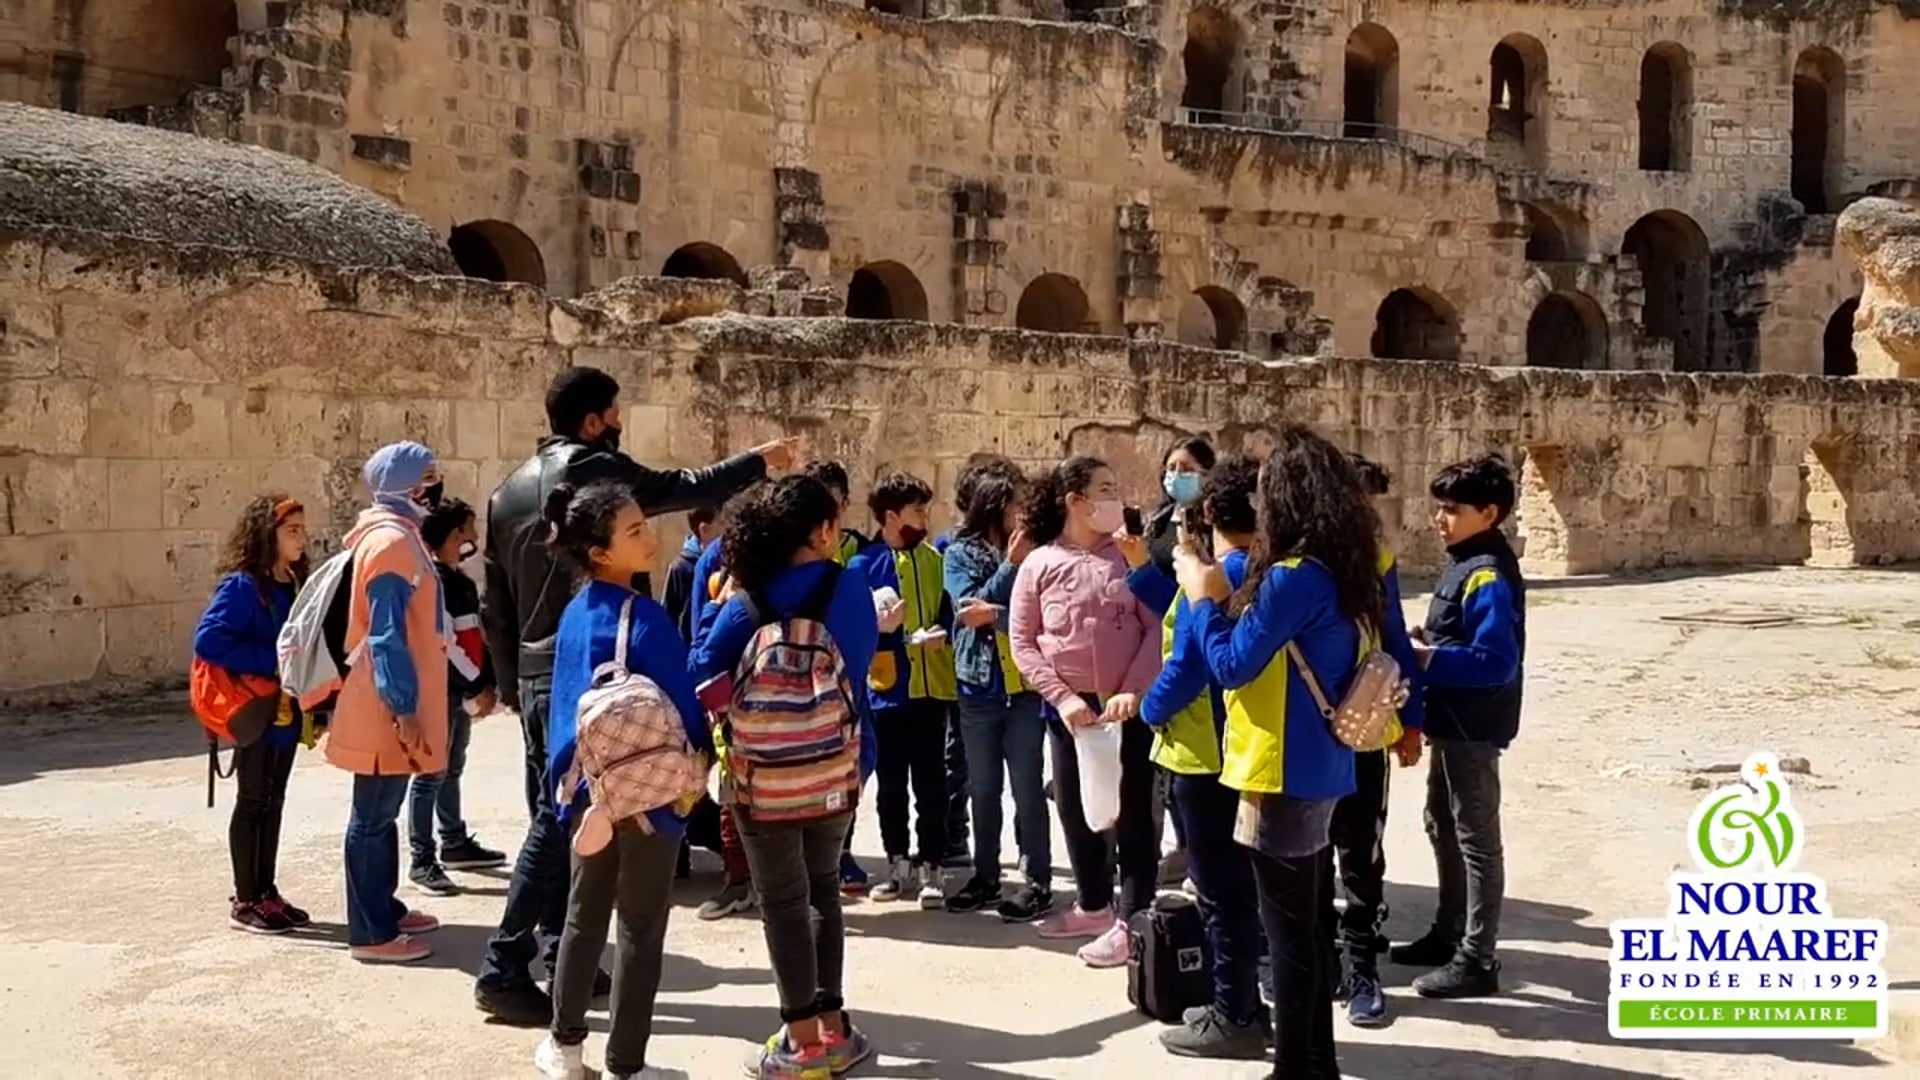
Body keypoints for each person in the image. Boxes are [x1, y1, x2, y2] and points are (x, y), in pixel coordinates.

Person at [477, 365, 797, 1023]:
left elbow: (496, 603)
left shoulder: (506, 491)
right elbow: (684, 488)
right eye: (616, 412)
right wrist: (757, 462)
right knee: (556, 818)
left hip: (546, 668)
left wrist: (509, 684)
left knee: (568, 812)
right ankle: (505, 966)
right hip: (599, 662)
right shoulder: (597, 471)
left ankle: (562, 952)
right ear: (594, 421)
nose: (620, 424)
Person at [1175, 424, 1386, 1079]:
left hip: (1283, 769)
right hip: (1322, 766)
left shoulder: (1294, 577)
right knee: (1306, 928)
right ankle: (1313, 1060)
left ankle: (1299, 1066)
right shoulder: (1342, 566)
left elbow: (1233, 665)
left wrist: (1203, 598)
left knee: (1290, 936)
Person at [689, 475, 881, 1080]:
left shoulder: (749, 600)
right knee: (823, 889)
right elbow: (859, 662)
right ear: (822, 530)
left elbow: (702, 669)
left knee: (782, 901)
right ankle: (833, 1027)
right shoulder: (848, 588)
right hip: (835, 764)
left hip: (762, 775)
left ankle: (801, 1045)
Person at [532, 482, 707, 1080]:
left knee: (583, 920)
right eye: (634, 531)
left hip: (590, 795)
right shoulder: (648, 618)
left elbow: (562, 709)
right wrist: (697, 770)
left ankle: (564, 1048)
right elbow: (684, 706)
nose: (649, 537)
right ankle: (626, 1065)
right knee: (640, 928)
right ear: (601, 551)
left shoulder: (575, 614)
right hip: (651, 795)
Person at [1008, 456, 1162, 968]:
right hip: (1069, 714)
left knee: (1133, 813)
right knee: (1075, 808)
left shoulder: (1131, 559)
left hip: (1125, 711)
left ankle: (1134, 916)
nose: (1116, 498)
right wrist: (1063, 698)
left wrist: (1134, 690)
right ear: (1076, 501)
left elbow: (1158, 627)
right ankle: (1094, 903)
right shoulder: (1039, 563)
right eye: (1105, 489)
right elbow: (1023, 641)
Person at [1140, 455, 1266, 1058]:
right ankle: (1243, 1002)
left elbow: (1187, 666)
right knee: (1242, 887)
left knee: (1218, 891)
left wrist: (1147, 710)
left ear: (1209, 511)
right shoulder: (1269, 573)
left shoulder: (1212, 579)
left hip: (1201, 751)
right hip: (1245, 748)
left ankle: (1232, 1012)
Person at [1391, 452, 1526, 1001]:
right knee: (1441, 823)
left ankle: (1477, 957)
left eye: (1452, 509)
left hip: (1473, 725)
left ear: (1489, 513)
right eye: (1438, 508)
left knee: (1475, 838)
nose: (1439, 519)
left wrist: (1428, 660)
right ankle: (1449, 935)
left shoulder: (1487, 574)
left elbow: (1495, 661)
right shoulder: (1465, 563)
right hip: (1451, 720)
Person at [327, 442, 452, 964]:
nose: (434, 486)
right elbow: (385, 637)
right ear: (404, 485)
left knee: (383, 811)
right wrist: (403, 707)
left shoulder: (399, 538)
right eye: (426, 477)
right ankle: (371, 932)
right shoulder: (390, 545)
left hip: (397, 700)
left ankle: (384, 906)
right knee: (373, 816)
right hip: (387, 705)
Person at [1325, 454, 1425, 1025]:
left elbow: (1394, 638)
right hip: (1303, 733)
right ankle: (1322, 961)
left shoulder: (1375, 561)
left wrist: (1412, 720)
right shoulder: (1290, 564)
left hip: (1363, 727)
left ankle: (1362, 964)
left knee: (1360, 853)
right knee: (1308, 855)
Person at [194, 493, 312, 934]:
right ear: (269, 535)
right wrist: (272, 661)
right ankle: (246, 899)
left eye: (302, 529)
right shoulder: (244, 587)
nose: (301, 538)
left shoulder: (294, 584)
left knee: (274, 801)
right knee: (253, 801)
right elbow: (209, 640)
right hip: (257, 709)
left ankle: (267, 892)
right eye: (291, 530)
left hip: (286, 712)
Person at [941, 457, 1052, 921]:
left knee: (1027, 787)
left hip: (1025, 687)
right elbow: (969, 607)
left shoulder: (1041, 552)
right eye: (1014, 506)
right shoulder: (960, 552)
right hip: (980, 686)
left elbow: (1037, 614)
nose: (1022, 515)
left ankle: (1037, 879)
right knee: (983, 787)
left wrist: (1000, 614)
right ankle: (986, 875)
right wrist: (1011, 565)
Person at [849, 471, 957, 908]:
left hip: (932, 688)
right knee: (891, 783)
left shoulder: (934, 559)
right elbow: (857, 627)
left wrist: (942, 630)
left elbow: (946, 610)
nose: (924, 518)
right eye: (917, 510)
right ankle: (897, 864)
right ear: (891, 516)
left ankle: (933, 864)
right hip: (888, 689)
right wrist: (896, 637)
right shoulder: (862, 565)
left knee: (932, 781)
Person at [405, 497, 506, 897]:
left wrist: (485, 681)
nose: (475, 537)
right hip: (440, 690)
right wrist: (476, 685)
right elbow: (445, 646)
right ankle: (421, 859)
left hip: (459, 688)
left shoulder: (458, 580)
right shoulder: (433, 582)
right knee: (430, 773)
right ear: (452, 535)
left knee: (452, 766)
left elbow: (474, 636)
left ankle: (454, 840)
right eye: (468, 530)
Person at [661, 503, 719, 633]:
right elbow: (669, 614)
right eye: (720, 522)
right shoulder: (681, 567)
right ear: (704, 529)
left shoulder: (724, 559)